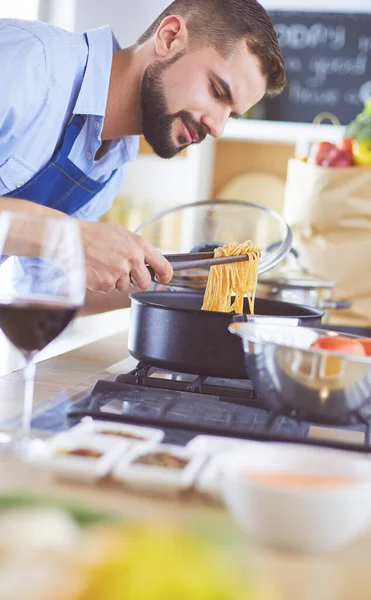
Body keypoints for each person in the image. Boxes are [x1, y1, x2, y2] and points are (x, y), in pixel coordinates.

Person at [0, 0, 286, 313]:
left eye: (232, 115)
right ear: (170, 37)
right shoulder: (27, 62)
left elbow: (47, 290)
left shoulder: (111, 164)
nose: (217, 128)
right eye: (217, 91)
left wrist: (173, 277)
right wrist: (70, 236)